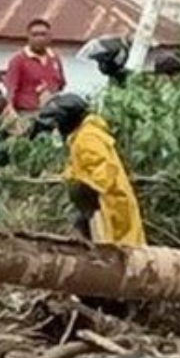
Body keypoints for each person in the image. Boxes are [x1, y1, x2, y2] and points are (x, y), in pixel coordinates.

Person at [35, 93, 145, 246]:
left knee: (119, 252)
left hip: (110, 207)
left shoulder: (87, 138)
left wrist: (84, 200)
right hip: (108, 205)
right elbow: (82, 167)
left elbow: (103, 172)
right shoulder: (82, 135)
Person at [4, 17, 66, 115]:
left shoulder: (55, 58)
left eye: (43, 34)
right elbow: (11, 89)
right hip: (27, 113)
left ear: (50, 37)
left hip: (53, 113)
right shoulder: (18, 60)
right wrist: (10, 109)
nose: (39, 38)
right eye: (35, 35)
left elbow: (61, 85)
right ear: (28, 37)